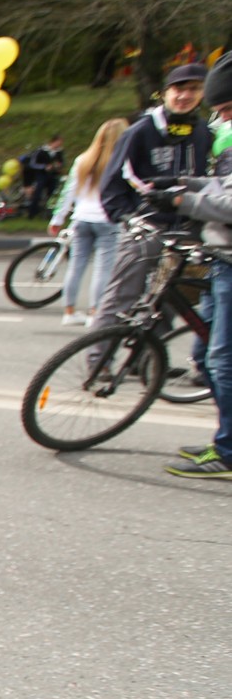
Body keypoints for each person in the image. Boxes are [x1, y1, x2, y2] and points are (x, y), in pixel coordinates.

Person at [152, 57, 232, 478]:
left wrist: (185, 201)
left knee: (223, 361)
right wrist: (184, 185)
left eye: (227, 109)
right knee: (206, 354)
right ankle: (225, 437)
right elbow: (224, 186)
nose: (221, 118)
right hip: (222, 259)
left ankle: (229, 453)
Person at [90, 63, 213, 334]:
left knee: (169, 300)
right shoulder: (140, 131)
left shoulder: (203, 132)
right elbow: (112, 182)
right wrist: (127, 217)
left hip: (186, 230)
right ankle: (98, 356)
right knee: (121, 297)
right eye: (179, 89)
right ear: (165, 93)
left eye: (193, 89)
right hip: (146, 228)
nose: (185, 96)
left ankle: (151, 355)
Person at [49, 118, 130, 324]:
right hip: (108, 219)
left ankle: (69, 311)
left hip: (81, 218)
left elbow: (68, 192)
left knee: (76, 266)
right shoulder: (121, 160)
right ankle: (95, 312)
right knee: (103, 269)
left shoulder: (83, 160)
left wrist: (58, 218)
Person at [21, 135, 66, 219]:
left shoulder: (59, 152)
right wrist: (44, 166)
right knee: (38, 193)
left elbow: (62, 162)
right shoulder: (41, 150)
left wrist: (59, 165)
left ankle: (49, 212)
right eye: (58, 142)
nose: (59, 144)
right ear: (53, 142)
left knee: (52, 194)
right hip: (42, 175)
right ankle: (32, 213)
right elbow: (33, 164)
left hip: (53, 175)